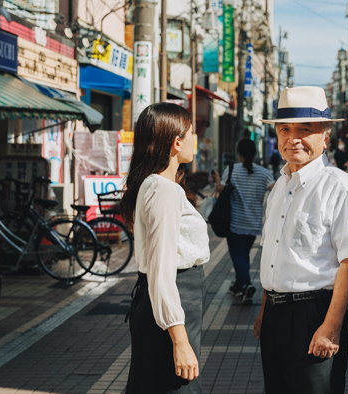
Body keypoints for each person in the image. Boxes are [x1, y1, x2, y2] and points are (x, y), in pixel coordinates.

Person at [255, 86, 348, 394]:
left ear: (326, 137)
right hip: (275, 314)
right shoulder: (278, 186)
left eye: (306, 130)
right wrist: (265, 309)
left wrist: (331, 327)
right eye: (285, 129)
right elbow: (275, 253)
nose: (294, 138)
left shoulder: (341, 187)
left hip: (313, 313)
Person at [120, 103, 210, 393]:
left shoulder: (155, 185)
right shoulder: (164, 189)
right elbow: (162, 270)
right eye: (192, 133)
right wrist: (180, 341)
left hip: (164, 303)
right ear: (176, 142)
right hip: (172, 301)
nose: (195, 139)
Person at [212, 139, 275, 304]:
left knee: (238, 255)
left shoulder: (232, 170)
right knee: (243, 255)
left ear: (238, 153)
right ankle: (239, 285)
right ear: (255, 154)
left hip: (235, 223)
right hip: (253, 224)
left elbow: (222, 191)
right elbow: (276, 191)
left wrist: (218, 181)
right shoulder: (264, 172)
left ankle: (246, 284)